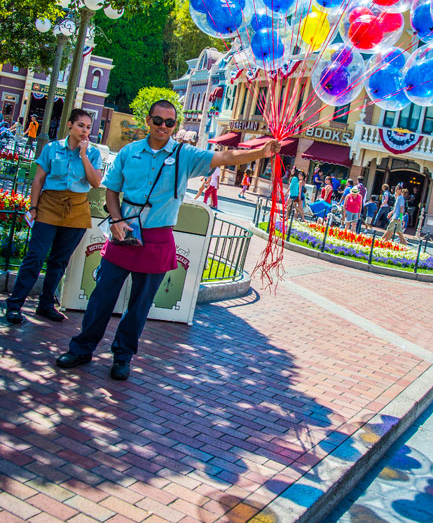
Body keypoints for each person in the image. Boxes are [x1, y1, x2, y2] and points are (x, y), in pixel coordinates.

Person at [56, 99, 280, 380]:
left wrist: (261, 151)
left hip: (158, 238)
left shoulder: (184, 155)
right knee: (102, 297)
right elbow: (112, 190)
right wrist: (116, 221)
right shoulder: (129, 152)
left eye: (169, 122)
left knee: (139, 306)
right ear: (148, 121)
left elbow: (224, 158)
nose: (163, 126)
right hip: (124, 232)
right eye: (158, 120)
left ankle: (122, 356)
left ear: (176, 125)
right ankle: (82, 349)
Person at [4, 109, 103, 324]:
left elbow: (95, 183)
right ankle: (15, 304)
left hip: (76, 209)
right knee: (35, 256)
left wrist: (84, 156)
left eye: (88, 127)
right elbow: (38, 180)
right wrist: (33, 207)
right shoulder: (51, 148)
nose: (85, 130)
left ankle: (46, 304)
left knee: (59, 260)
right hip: (49, 205)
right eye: (81, 125)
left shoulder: (93, 153)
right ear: (69, 125)